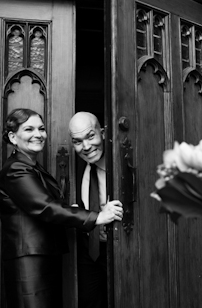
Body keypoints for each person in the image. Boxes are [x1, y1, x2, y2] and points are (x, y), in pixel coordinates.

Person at [0, 108, 123, 308]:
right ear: (13, 136)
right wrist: (96, 217)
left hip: (46, 261)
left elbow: (45, 204)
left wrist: (67, 209)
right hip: (30, 265)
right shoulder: (16, 169)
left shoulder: (32, 166)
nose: (38, 134)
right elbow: (45, 206)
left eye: (41, 128)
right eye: (29, 129)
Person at [68, 112, 119, 308]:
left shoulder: (120, 166)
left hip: (118, 247)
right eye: (77, 141)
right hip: (88, 251)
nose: (86, 147)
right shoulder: (77, 167)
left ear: (103, 133)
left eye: (91, 136)